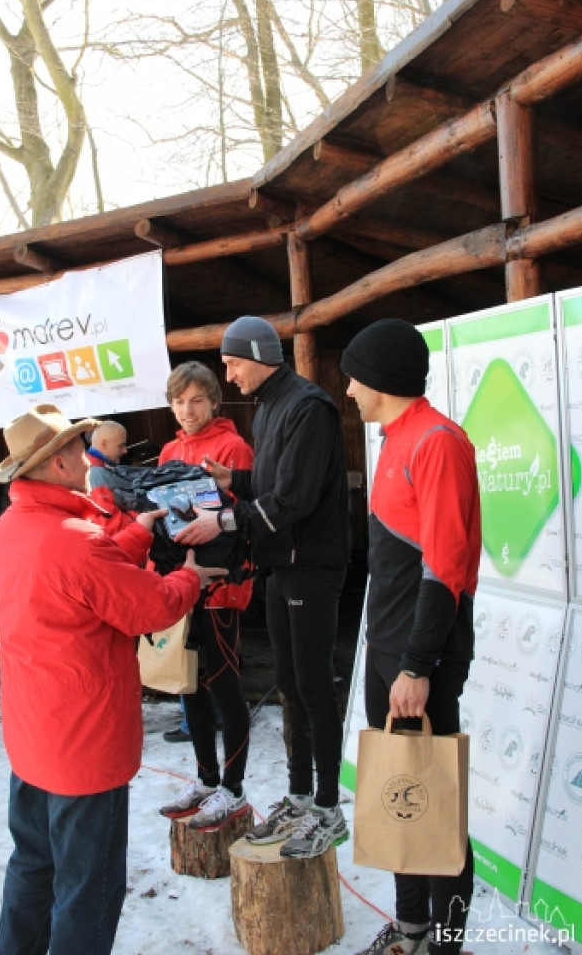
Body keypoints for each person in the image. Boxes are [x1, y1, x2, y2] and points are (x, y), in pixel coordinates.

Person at [0, 402, 225, 955]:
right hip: (84, 745)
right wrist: (190, 578)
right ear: (60, 464)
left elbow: (88, 575)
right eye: (80, 450)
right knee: (88, 889)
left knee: (32, 868)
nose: (88, 459)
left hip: (32, 736)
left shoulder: (9, 529)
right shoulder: (74, 539)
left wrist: (137, 533)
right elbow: (147, 607)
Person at [175, 317, 350, 859]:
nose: (229, 376)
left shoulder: (309, 406)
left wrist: (224, 521)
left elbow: (293, 499)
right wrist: (235, 482)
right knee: (289, 683)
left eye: (232, 364)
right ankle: (299, 798)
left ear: (256, 354)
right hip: (281, 564)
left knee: (314, 686)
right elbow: (272, 484)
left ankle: (328, 809)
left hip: (311, 565)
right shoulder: (271, 405)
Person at [340, 320, 481, 955]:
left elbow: (444, 570)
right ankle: (410, 929)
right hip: (387, 652)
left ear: (381, 379)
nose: (348, 391)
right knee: (401, 793)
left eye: (354, 378)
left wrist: (417, 665)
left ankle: (445, 945)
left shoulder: (438, 442)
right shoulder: (395, 438)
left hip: (422, 659)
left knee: (436, 807)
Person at [157, 361, 253, 828]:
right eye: (179, 402)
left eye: (196, 400)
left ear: (214, 401)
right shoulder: (169, 450)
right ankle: (205, 779)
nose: (187, 410)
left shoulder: (233, 446)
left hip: (221, 586)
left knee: (225, 686)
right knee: (189, 685)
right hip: (183, 584)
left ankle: (232, 789)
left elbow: (247, 518)